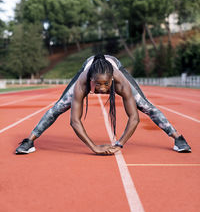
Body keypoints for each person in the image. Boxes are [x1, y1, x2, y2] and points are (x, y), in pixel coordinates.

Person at [16, 54, 191, 155]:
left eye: (106, 84)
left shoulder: (121, 82)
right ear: (90, 80)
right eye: (97, 84)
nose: (102, 89)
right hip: (89, 64)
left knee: (146, 106)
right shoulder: (82, 82)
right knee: (59, 107)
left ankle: (178, 139)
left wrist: (120, 143)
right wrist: (94, 147)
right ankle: (29, 141)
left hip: (115, 64)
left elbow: (134, 118)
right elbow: (74, 120)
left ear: (112, 80)